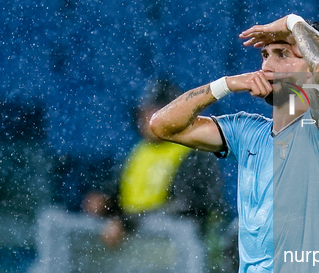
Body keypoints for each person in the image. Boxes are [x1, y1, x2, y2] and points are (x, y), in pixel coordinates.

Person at [150, 14, 319, 273]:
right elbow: (162, 124)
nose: (269, 64)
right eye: (265, 55)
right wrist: (229, 83)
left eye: (283, 54)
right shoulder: (247, 132)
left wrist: (291, 22)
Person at [81, 78, 225, 250]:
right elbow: (120, 196)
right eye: (144, 113)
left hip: (181, 257)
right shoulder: (139, 151)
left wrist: (126, 223)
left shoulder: (195, 150)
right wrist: (105, 203)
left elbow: (185, 207)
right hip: (144, 255)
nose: (146, 119)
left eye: (154, 112)